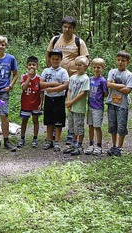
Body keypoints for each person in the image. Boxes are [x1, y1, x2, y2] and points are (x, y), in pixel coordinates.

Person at [46, 16, 90, 145]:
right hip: (57, 79)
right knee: (56, 105)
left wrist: (78, 74)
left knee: (72, 105)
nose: (67, 29)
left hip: (73, 81)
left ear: (73, 28)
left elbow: (86, 59)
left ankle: (72, 132)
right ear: (62, 27)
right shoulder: (55, 40)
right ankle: (54, 130)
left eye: (69, 27)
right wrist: (50, 71)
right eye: (65, 27)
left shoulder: (78, 42)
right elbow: (48, 55)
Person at [105, 51, 132, 156]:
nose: (120, 62)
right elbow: (108, 84)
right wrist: (121, 85)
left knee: (121, 126)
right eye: (118, 60)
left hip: (123, 104)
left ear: (128, 62)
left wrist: (115, 85)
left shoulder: (129, 75)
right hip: (111, 102)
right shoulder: (112, 72)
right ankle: (113, 145)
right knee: (112, 125)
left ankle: (119, 147)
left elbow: (127, 90)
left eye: (123, 61)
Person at [40, 49, 69, 152]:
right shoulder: (46, 71)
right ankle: (49, 141)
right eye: (53, 59)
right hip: (48, 99)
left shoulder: (63, 71)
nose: (55, 61)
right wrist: (54, 84)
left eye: (57, 59)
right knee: (49, 121)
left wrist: (53, 89)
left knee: (58, 122)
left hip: (59, 99)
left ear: (61, 59)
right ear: (50, 59)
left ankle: (56, 141)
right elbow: (41, 84)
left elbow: (65, 85)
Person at [62, 56, 90, 156]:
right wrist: (68, 102)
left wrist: (72, 102)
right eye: (76, 65)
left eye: (80, 65)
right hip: (71, 107)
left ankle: (80, 145)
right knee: (72, 126)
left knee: (79, 126)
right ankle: (74, 144)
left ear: (85, 66)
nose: (78, 67)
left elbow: (83, 93)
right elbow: (69, 90)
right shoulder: (72, 78)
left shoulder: (86, 79)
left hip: (79, 107)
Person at [83, 58, 108, 156]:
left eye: (99, 67)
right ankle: (91, 144)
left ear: (102, 68)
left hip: (98, 107)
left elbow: (105, 93)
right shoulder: (90, 79)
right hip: (90, 106)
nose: (96, 69)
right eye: (94, 67)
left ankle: (99, 145)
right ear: (91, 68)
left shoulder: (102, 81)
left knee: (97, 127)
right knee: (90, 126)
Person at [18, 56, 43, 148]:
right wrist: (29, 77)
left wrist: (41, 103)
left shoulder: (40, 78)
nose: (32, 67)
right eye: (30, 65)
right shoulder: (24, 77)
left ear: (37, 66)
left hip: (36, 103)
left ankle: (35, 138)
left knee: (35, 120)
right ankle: (22, 138)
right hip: (26, 103)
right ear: (26, 66)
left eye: (34, 65)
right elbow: (24, 88)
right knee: (24, 120)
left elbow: (41, 92)